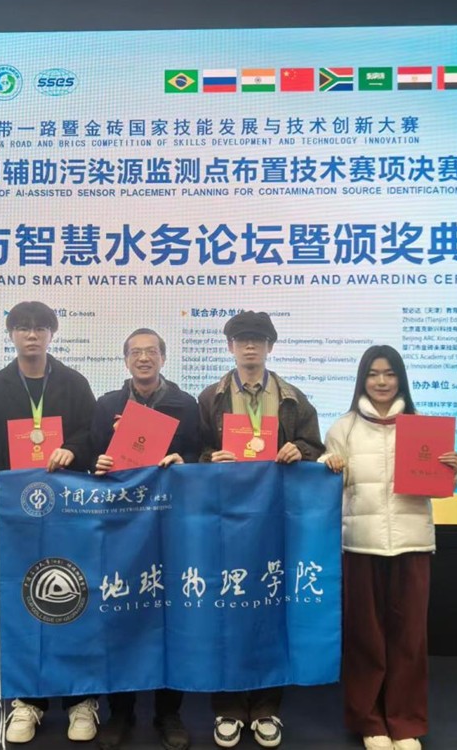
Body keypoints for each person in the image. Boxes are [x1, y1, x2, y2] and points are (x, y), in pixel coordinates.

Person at [0, 300, 98, 744]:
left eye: (40, 327)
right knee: (25, 603)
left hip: (69, 513)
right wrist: (0, 475)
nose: (32, 334)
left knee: (74, 598)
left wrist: (73, 449)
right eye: (23, 327)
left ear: (53, 334)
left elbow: (93, 434)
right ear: (11, 335)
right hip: (16, 517)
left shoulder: (75, 384)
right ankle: (28, 700)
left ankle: (81, 699)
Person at [319, 345, 457, 750]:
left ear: (401, 378)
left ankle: (405, 723)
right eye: (373, 374)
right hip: (360, 545)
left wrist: (452, 473)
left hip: (411, 543)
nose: (381, 382)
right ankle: (370, 722)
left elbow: (436, 488)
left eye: (389, 373)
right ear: (361, 380)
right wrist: (328, 467)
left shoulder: (422, 427)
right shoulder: (343, 428)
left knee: (409, 639)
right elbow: (333, 491)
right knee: (365, 637)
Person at [197, 311, 325, 749]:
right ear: (230, 346)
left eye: (258, 339)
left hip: (275, 520)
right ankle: (228, 707)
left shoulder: (292, 398)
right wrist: (209, 457)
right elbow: (195, 450)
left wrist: (298, 449)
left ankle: (267, 706)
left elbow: (315, 446)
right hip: (225, 520)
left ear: (270, 346)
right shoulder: (210, 398)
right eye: (241, 339)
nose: (249, 346)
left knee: (270, 609)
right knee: (226, 609)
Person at [90, 328, 200, 750]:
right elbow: (91, 456)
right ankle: (120, 711)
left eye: (151, 351)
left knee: (173, 617)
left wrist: (185, 460)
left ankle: (168, 712)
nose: (143, 358)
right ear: (125, 360)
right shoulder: (107, 405)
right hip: (122, 527)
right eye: (135, 352)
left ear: (163, 357)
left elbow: (203, 453)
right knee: (122, 614)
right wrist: (97, 462)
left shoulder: (186, 405)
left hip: (172, 525)